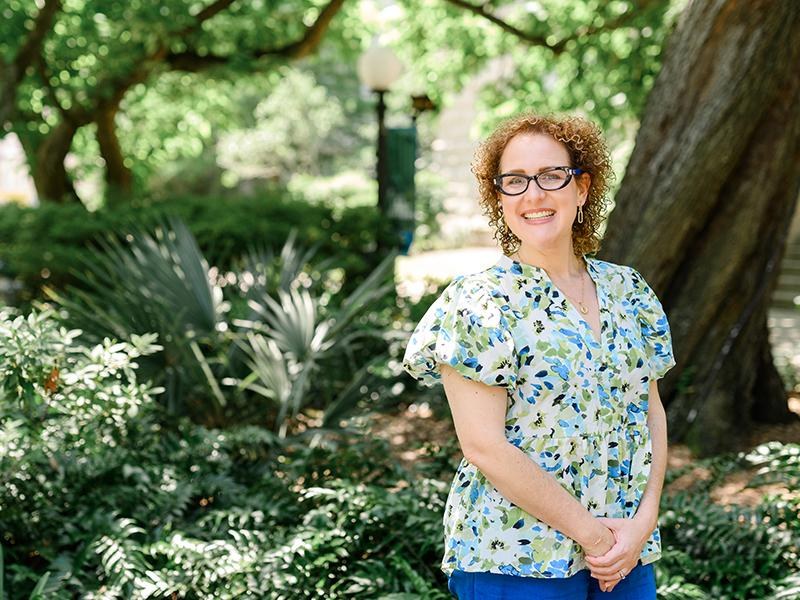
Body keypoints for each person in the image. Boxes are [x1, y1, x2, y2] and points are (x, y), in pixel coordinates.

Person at [402, 113, 676, 599]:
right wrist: (594, 537)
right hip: (516, 559)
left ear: (583, 188)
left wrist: (643, 521)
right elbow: (484, 446)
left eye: (552, 176)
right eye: (515, 181)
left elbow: (650, 410)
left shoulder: (629, 290)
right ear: (499, 198)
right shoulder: (479, 303)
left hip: (626, 549)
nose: (534, 195)